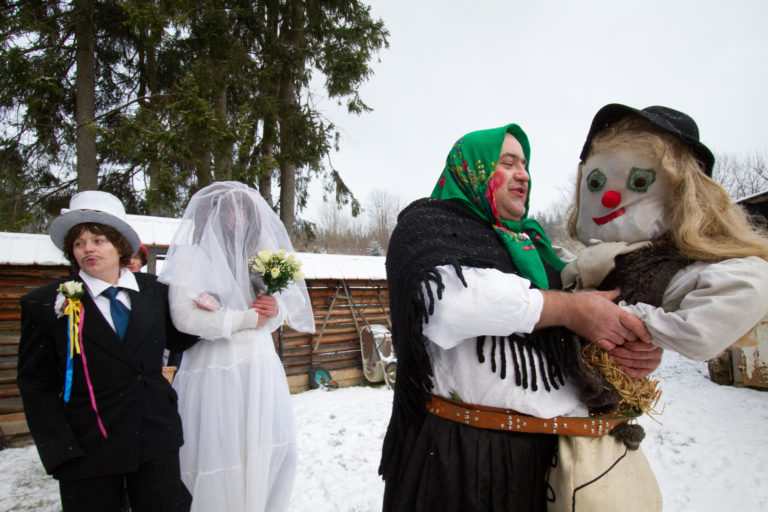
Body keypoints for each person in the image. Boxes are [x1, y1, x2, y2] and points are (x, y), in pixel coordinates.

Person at [379, 123, 661, 511]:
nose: (523, 173)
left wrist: (633, 344)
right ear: (472, 169)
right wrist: (570, 310)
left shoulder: (537, 249)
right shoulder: (429, 226)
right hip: (462, 455)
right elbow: (450, 306)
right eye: (507, 162)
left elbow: (583, 322)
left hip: (545, 458)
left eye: (525, 164)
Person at [17, 191, 199, 512]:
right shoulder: (46, 304)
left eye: (98, 240)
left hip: (155, 439)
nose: (88, 248)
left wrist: (208, 313)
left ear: (119, 245)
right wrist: (61, 449)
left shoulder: (156, 292)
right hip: (88, 449)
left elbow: (181, 340)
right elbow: (36, 384)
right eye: (79, 243)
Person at [567, 103, 768, 367]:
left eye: (639, 182)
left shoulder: (682, 271)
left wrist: (628, 321)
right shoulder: (580, 261)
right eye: (596, 183)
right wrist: (568, 310)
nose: (609, 198)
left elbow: (707, 328)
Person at [158, 181, 315, 512]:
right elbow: (184, 318)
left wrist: (275, 311)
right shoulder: (191, 256)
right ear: (211, 214)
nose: (238, 217)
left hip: (259, 366)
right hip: (213, 366)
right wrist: (246, 319)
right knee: (221, 451)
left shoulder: (260, 258)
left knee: (264, 448)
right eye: (229, 209)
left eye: (245, 210)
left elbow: (279, 311)